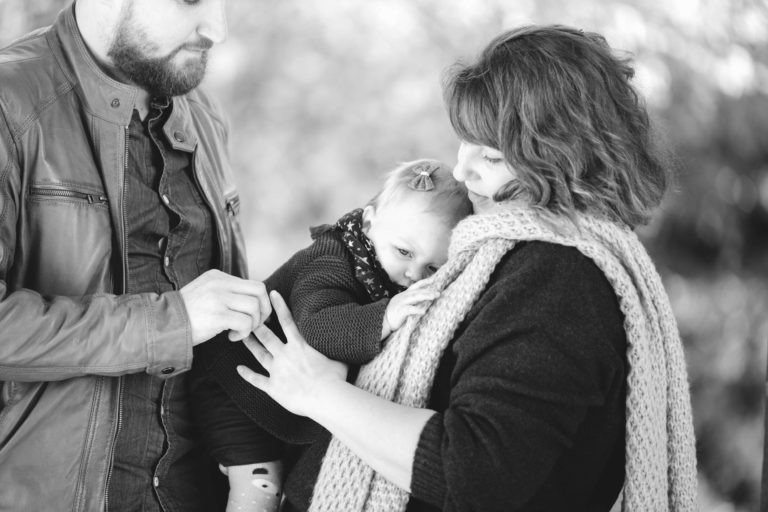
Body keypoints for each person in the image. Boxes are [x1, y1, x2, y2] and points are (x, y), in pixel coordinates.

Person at [236, 25, 699, 512]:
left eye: (491, 156)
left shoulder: (557, 278)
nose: (461, 172)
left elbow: (474, 472)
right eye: (465, 143)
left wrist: (318, 395)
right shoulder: (503, 253)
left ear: (561, 160)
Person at [0, 1, 272, 511]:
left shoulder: (206, 117)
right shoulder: (8, 103)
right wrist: (169, 323)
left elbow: (229, 342)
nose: (218, 28)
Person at [190, 159, 473, 512]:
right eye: (404, 252)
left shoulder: (381, 264)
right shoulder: (332, 259)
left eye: (433, 267)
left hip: (279, 388)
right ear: (370, 222)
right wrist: (385, 316)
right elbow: (320, 328)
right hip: (233, 384)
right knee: (261, 483)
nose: (414, 273)